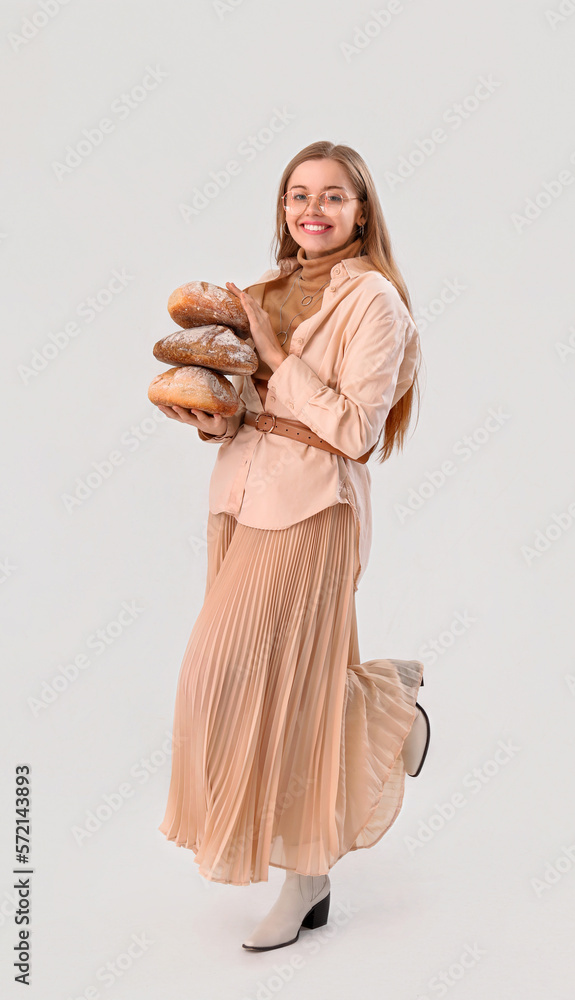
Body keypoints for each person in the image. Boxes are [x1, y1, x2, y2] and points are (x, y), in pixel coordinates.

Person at [156, 140, 431, 952]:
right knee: (289, 687)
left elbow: (353, 430)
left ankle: (323, 840)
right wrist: (213, 417)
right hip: (241, 500)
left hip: (313, 509)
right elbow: (251, 408)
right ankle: (383, 736)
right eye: (297, 195)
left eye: (333, 196)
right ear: (283, 208)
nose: (312, 208)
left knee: (224, 677)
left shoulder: (374, 303)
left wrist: (276, 358)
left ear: (361, 211)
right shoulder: (262, 290)